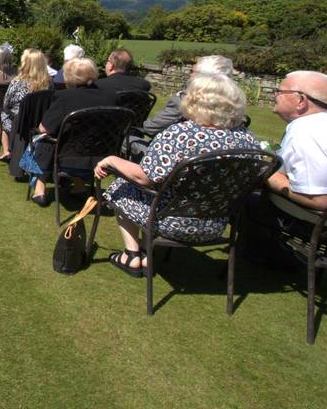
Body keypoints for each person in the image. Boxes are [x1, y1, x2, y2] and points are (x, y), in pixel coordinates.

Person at [94, 73, 260, 276]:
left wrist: (112, 160)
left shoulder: (180, 135)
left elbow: (144, 177)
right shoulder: (248, 140)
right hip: (216, 224)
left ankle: (132, 254)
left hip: (169, 221)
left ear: (193, 100)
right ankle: (145, 250)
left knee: (120, 185)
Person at [244, 71, 327, 266]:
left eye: (280, 91)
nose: (274, 94)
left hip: (325, 226)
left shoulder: (307, 130)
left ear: (301, 100)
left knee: (244, 199)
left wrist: (266, 174)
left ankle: (271, 257)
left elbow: (321, 200)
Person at [22, 57, 117, 206]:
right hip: (102, 156)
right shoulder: (111, 97)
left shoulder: (64, 97)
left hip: (69, 157)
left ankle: (40, 189)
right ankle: (79, 186)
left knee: (44, 138)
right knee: (66, 139)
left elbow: (44, 128)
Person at [141, 55, 234, 137]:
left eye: (193, 71)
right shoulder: (234, 105)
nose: (190, 74)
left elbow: (150, 128)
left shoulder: (185, 101)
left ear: (202, 77)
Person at [0, 48, 53, 161]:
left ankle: (7, 150)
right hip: (41, 122)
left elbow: (6, 104)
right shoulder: (49, 83)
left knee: (3, 116)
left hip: (19, 123)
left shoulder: (17, 82)